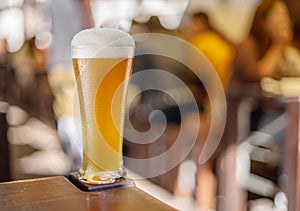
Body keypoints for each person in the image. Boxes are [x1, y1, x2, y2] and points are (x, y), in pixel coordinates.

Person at [46, 0, 94, 171]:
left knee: (64, 111)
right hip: (73, 61)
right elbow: (90, 29)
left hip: (54, 63)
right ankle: (79, 160)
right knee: (77, 113)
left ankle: (73, 159)